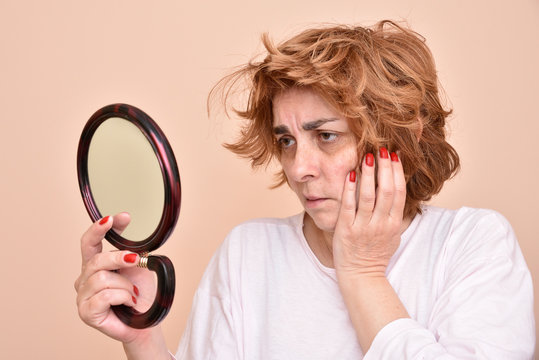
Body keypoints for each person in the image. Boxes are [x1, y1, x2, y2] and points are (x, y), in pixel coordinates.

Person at [74, 20, 535, 359]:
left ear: (402, 136)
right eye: (286, 140)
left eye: (326, 136)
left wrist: (364, 273)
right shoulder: (248, 253)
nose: (299, 168)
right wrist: (141, 337)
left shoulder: (474, 245)